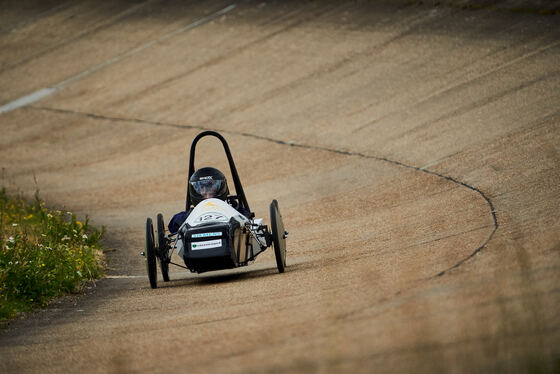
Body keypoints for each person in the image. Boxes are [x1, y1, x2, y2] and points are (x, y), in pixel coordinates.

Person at [168, 167, 245, 233]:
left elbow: (248, 219)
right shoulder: (189, 215)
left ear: (219, 190)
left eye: (211, 191)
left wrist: (234, 208)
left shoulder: (232, 208)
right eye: (204, 193)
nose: (208, 197)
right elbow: (173, 226)